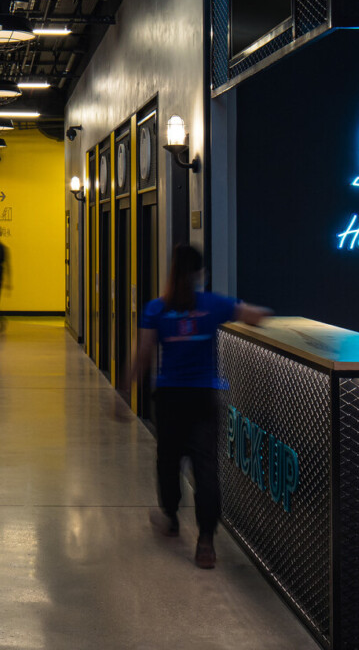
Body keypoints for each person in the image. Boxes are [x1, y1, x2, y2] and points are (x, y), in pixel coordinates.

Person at [124, 244, 269, 570]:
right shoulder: (214, 304)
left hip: (171, 398)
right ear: (200, 273)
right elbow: (255, 316)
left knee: (168, 461)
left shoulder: (157, 309)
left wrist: (124, 390)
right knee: (206, 468)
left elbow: (143, 353)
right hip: (204, 397)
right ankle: (206, 541)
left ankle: (171, 518)